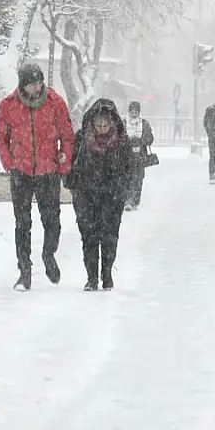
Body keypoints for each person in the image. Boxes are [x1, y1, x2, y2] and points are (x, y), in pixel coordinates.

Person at [0, 63, 74, 291]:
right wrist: (10, 164)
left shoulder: (55, 102)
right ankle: (25, 271)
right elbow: (1, 137)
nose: (36, 87)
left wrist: (63, 160)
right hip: (21, 171)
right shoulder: (8, 105)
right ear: (22, 84)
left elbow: (67, 135)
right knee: (22, 223)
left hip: (48, 171)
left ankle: (49, 256)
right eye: (31, 84)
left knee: (52, 221)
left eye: (39, 82)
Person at [64, 99, 134, 291]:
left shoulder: (121, 142)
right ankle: (91, 278)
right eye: (98, 125)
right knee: (89, 237)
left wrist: (122, 190)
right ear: (92, 123)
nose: (102, 129)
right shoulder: (81, 139)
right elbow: (71, 165)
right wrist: (74, 187)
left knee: (110, 238)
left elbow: (129, 169)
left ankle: (107, 274)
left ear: (112, 124)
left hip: (112, 197)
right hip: (86, 195)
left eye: (105, 125)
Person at [125, 101, 155, 210]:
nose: (134, 114)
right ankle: (127, 200)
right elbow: (118, 139)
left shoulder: (145, 124)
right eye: (132, 111)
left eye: (136, 111)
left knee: (138, 179)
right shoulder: (123, 123)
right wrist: (128, 141)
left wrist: (141, 140)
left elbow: (150, 139)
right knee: (126, 178)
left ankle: (136, 201)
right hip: (127, 156)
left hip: (140, 156)